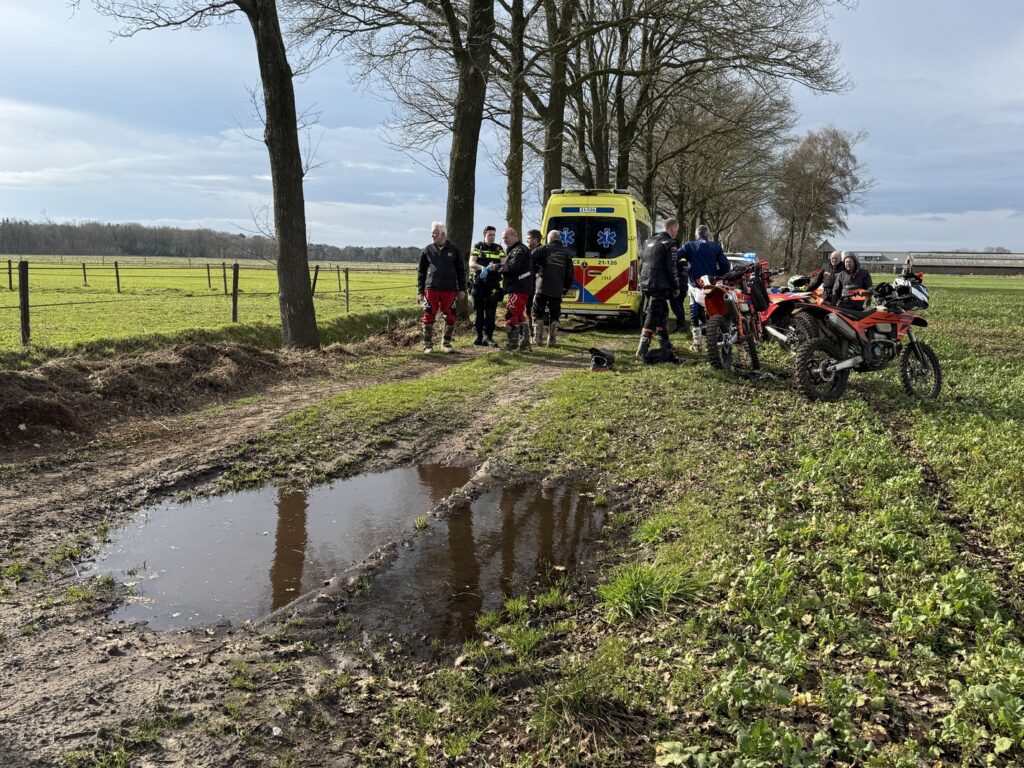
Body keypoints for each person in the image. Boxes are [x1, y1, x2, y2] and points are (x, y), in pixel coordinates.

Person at [416, 221, 466, 353]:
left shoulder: (454, 250)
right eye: (432, 233)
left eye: (434, 233)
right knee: (428, 314)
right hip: (431, 288)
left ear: (443, 234)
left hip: (449, 289)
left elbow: (461, 271)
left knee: (450, 315)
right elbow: (421, 271)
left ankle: (446, 344)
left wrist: (462, 289)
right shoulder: (428, 250)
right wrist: (420, 291)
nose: (432, 235)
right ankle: (427, 345)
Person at [679, 223, 730, 352]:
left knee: (694, 310)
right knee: (714, 312)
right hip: (711, 285)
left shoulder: (689, 245)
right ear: (707, 235)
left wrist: (683, 269)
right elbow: (726, 266)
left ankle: (697, 344)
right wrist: (717, 275)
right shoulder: (716, 247)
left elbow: (675, 258)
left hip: (695, 285)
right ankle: (718, 340)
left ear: (697, 234)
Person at [636, 222, 681, 358]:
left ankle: (666, 345)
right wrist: (676, 286)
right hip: (659, 284)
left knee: (662, 312)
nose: (677, 233)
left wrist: (641, 280)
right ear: (672, 228)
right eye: (676, 230)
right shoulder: (669, 243)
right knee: (653, 313)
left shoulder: (649, 241)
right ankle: (642, 348)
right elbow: (672, 268)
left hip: (646, 282)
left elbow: (642, 262)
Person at [531, 230, 574, 347]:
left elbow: (530, 259)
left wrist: (536, 271)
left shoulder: (542, 249)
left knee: (537, 311)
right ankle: (552, 341)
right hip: (557, 288)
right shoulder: (567, 253)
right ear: (559, 239)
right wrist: (566, 289)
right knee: (554, 314)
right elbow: (570, 274)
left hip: (542, 287)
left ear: (549, 239)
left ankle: (537, 339)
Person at [500, 227, 534, 351]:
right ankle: (525, 344)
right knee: (519, 315)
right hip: (521, 287)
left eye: (506, 238)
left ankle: (512, 344)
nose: (504, 241)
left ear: (515, 236)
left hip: (518, 287)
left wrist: (499, 269)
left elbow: (513, 268)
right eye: (503, 238)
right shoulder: (517, 249)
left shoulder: (519, 250)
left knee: (511, 313)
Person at [469, 225, 504, 346]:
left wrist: (496, 266)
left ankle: (489, 337)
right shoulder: (478, 246)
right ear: (484, 235)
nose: (492, 237)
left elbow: (505, 264)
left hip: (493, 285)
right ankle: (478, 336)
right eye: (490, 235)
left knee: (490, 313)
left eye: (494, 235)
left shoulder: (498, 248)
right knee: (478, 312)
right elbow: (471, 262)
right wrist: (481, 267)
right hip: (479, 283)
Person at [663, 219, 690, 335]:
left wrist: (676, 285)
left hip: (680, 284)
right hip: (683, 284)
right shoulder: (684, 258)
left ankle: (682, 325)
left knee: (675, 305)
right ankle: (681, 325)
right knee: (678, 305)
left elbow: (674, 270)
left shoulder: (677, 257)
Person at [524, 229, 542, 340]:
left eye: (529, 238)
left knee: (536, 310)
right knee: (528, 308)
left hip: (539, 285)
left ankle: (536, 334)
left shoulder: (542, 251)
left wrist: (537, 273)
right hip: (528, 284)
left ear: (535, 239)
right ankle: (531, 332)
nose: (527, 241)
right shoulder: (528, 251)